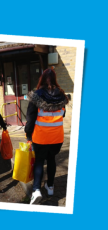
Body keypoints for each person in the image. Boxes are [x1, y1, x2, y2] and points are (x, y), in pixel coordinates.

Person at [25, 68, 69, 205]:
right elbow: (63, 114)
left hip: (40, 138)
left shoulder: (36, 96)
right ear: (55, 79)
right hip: (57, 138)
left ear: (42, 79)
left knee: (39, 161)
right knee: (52, 160)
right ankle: (50, 187)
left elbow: (30, 119)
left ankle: (36, 190)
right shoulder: (62, 96)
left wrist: (28, 134)